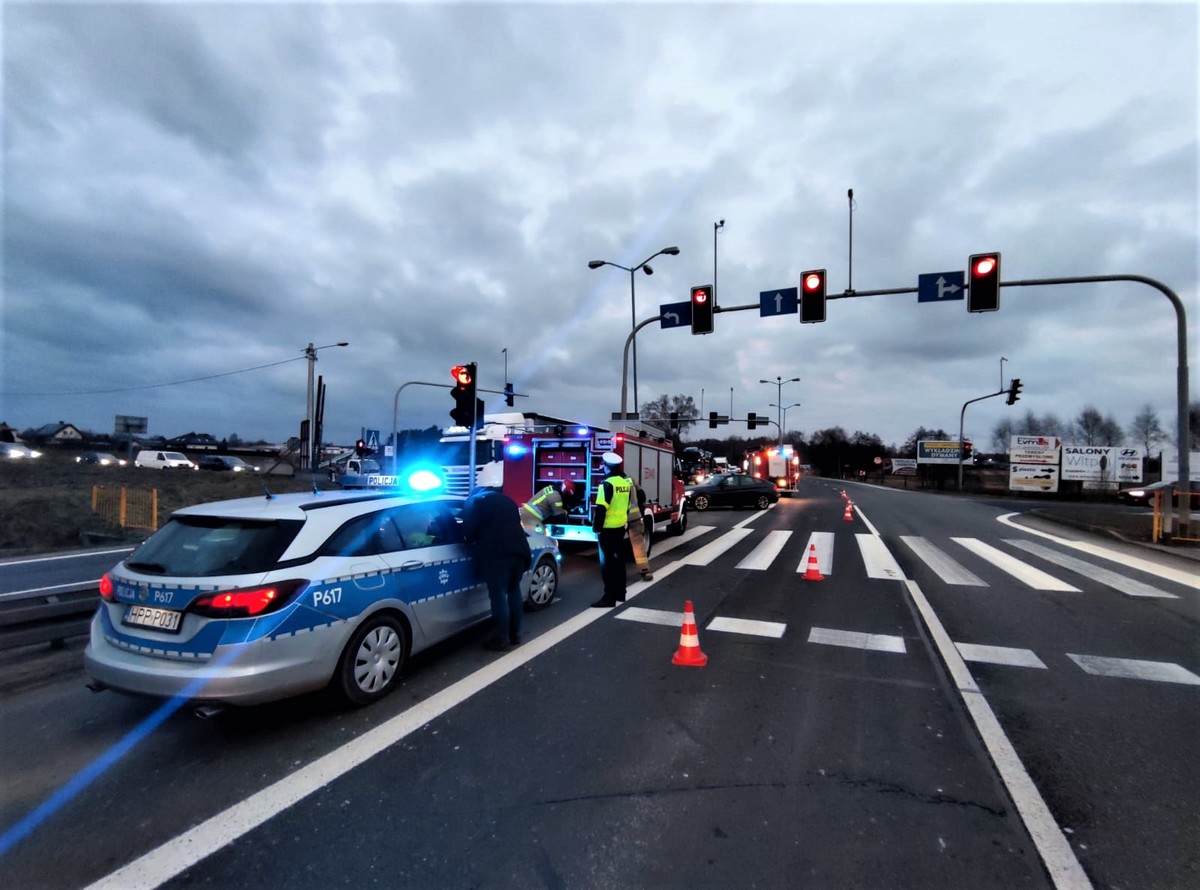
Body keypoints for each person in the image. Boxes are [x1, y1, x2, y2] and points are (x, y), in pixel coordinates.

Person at [462, 486, 532, 651]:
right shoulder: (508, 500)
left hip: (498, 554)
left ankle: (501, 639)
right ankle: (516, 635)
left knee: (498, 595)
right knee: (513, 590)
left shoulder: (474, 501)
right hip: (521, 551)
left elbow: (468, 531)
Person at [591, 452, 635, 607]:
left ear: (607, 467)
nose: (601, 467)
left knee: (607, 566)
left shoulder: (606, 484)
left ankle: (608, 598)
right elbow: (628, 506)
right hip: (619, 528)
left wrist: (596, 528)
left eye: (603, 465)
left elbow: (601, 509)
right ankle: (620, 594)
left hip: (607, 530)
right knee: (619, 562)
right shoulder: (625, 483)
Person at [626, 483, 653, 581]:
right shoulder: (630, 481)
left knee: (615, 548)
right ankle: (645, 571)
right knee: (639, 545)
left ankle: (615, 574)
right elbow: (642, 497)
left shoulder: (609, 483)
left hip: (616, 521)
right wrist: (640, 513)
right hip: (634, 518)